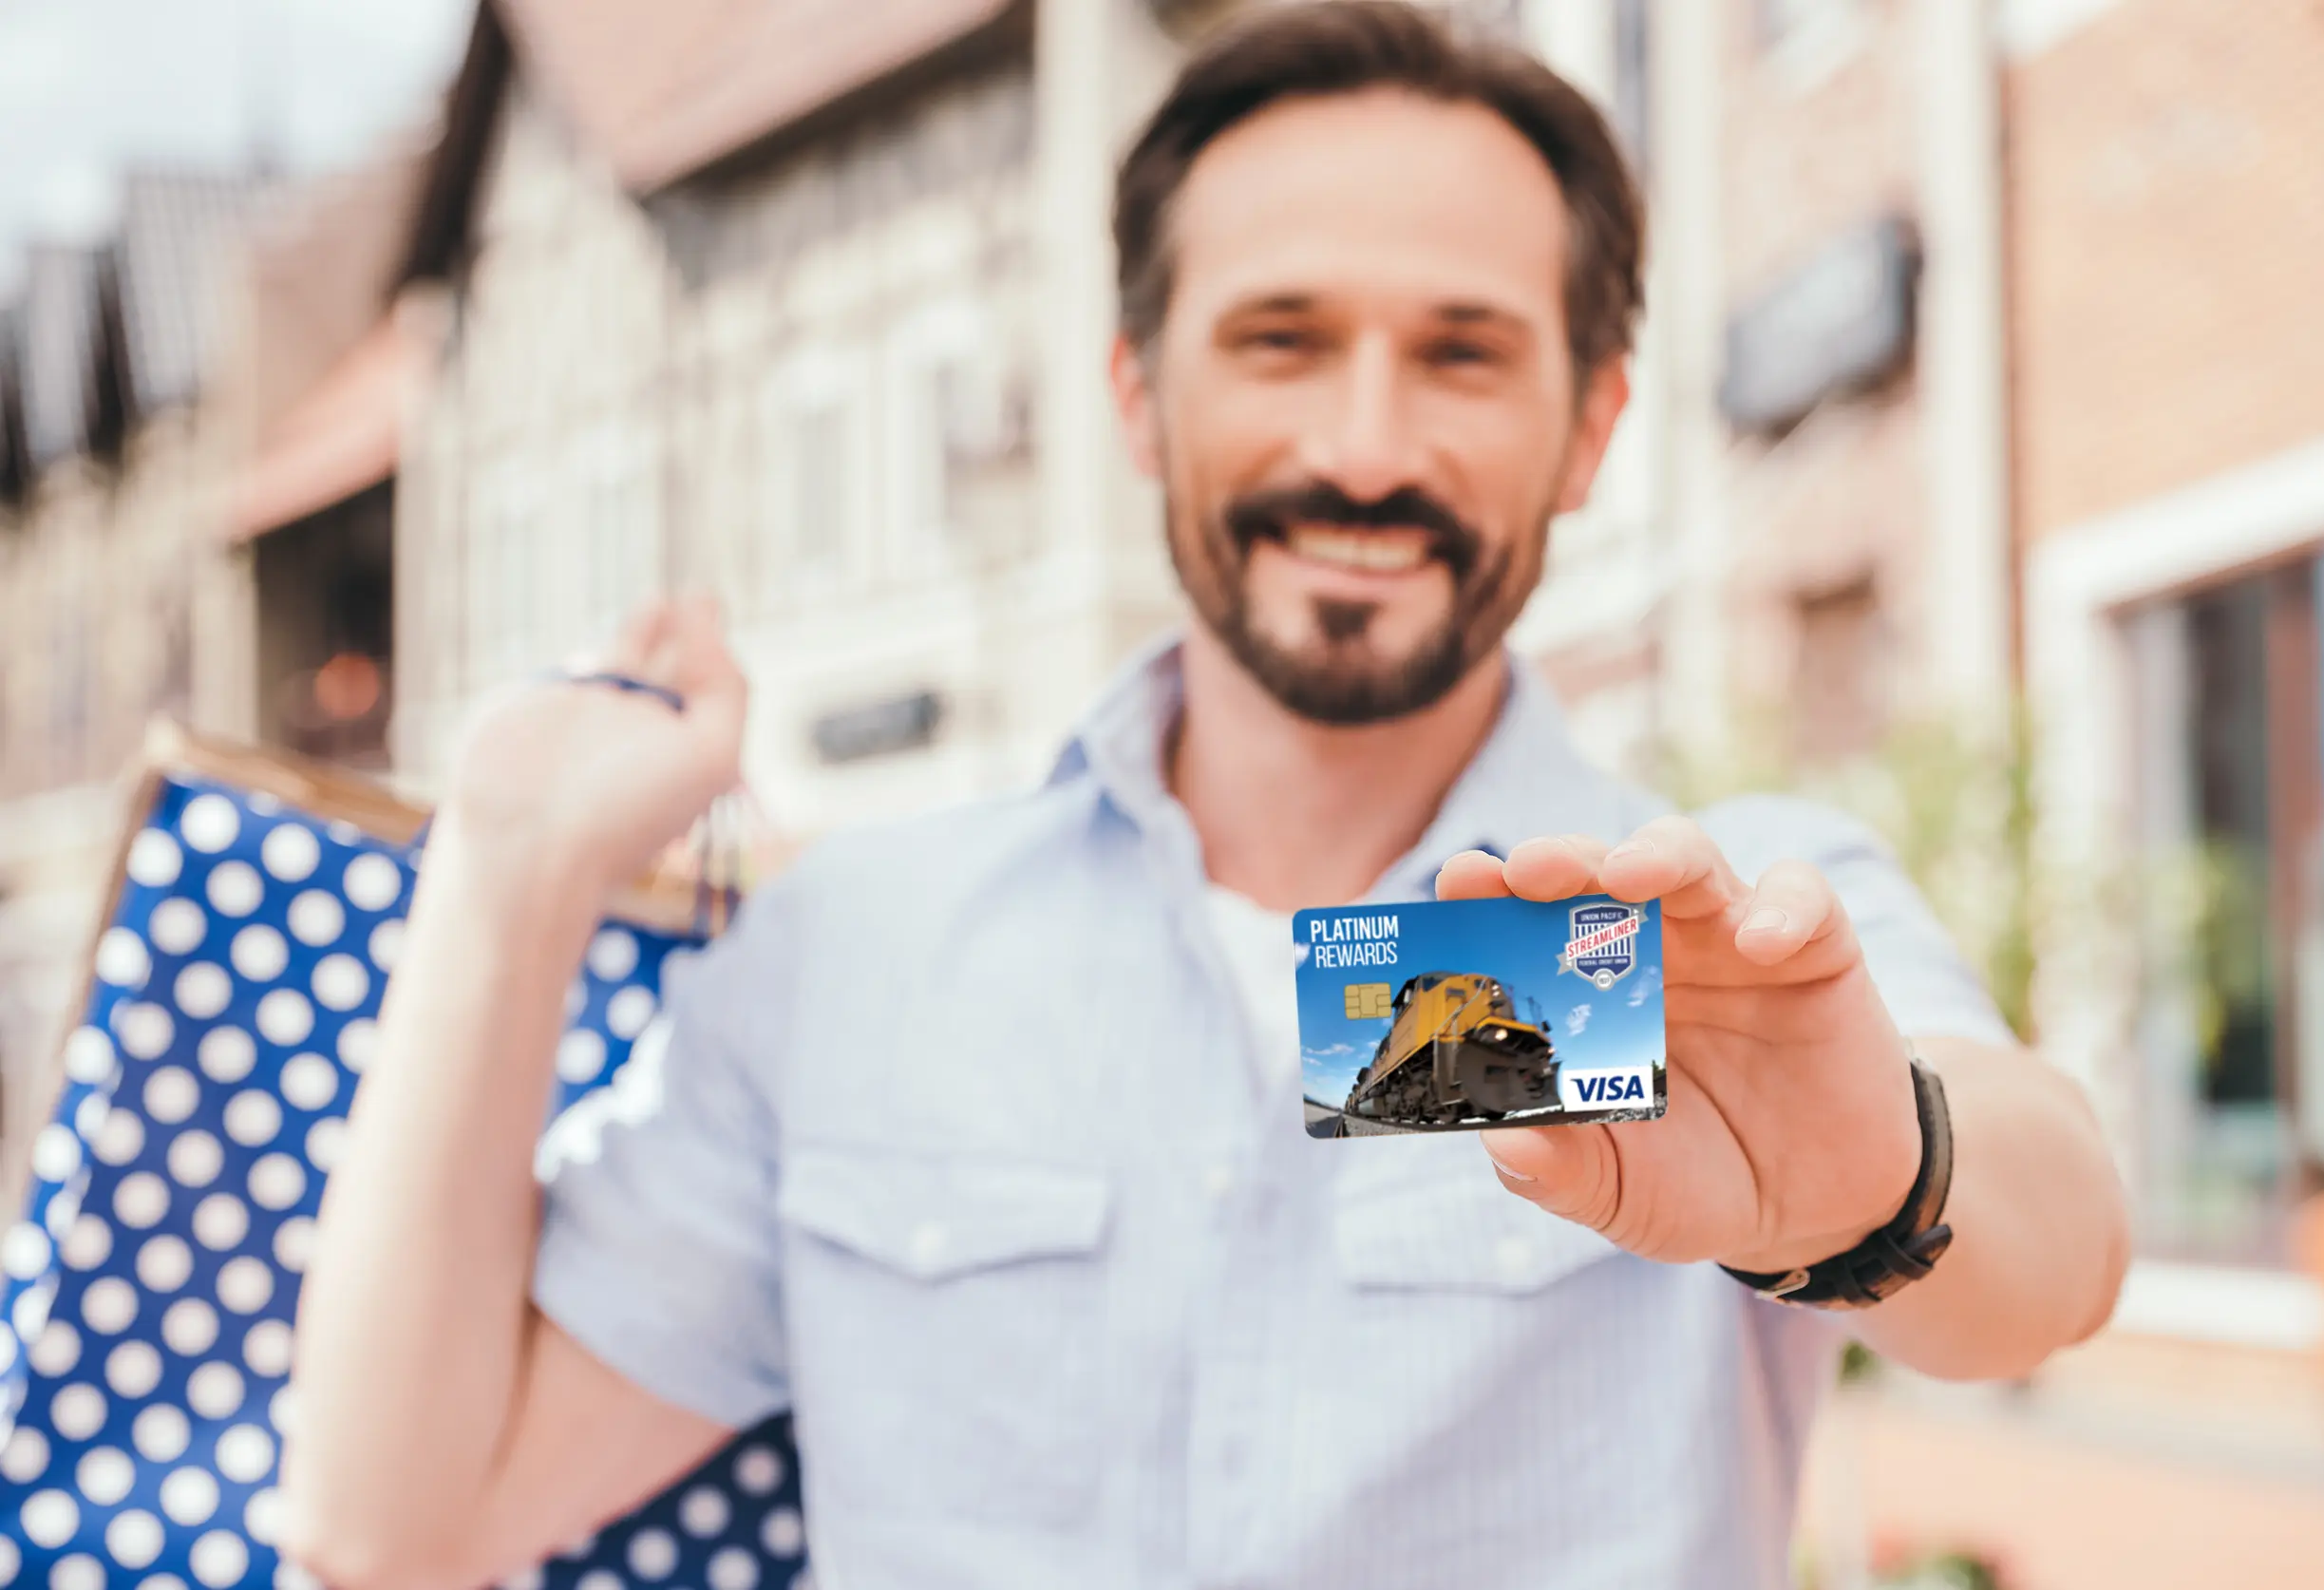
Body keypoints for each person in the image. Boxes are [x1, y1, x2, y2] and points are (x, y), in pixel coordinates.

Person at [283, 5, 2129, 1585]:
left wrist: (1880, 1182)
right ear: (1136, 397)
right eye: (1279, 339)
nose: (1363, 444)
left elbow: (2051, 1245)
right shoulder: (863, 952)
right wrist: (508, 876)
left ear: (1588, 425)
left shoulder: (1699, 945)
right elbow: (394, 1539)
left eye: (1464, 352)